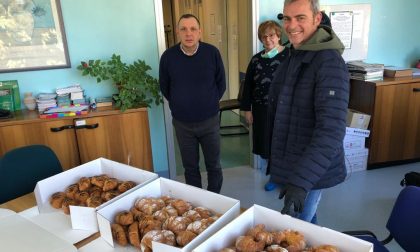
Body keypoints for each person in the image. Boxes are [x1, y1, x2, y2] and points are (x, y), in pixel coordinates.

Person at [268, 0, 349, 223]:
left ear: (317, 18)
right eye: (287, 18)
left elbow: (331, 131)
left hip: (310, 168)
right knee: (301, 221)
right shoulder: (296, 52)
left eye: (300, 18)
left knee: (298, 228)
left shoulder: (329, 62)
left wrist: (302, 180)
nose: (292, 25)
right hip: (293, 160)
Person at [159, 14, 226, 193]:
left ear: (200, 32)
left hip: (210, 121)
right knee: (190, 168)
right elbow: (164, 87)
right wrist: (181, 104)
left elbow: (221, 84)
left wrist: (208, 102)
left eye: (193, 29)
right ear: (178, 33)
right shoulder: (168, 57)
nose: (189, 33)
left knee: (214, 165)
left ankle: (214, 198)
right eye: (184, 29)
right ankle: (198, 203)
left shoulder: (212, 53)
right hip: (183, 124)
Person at [240, 20, 289, 191]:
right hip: (261, 109)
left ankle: (286, 177)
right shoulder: (256, 60)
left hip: (284, 110)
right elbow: (247, 86)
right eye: (264, 36)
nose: (268, 40)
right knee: (266, 144)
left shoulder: (290, 56)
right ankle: (274, 176)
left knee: (283, 143)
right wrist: (247, 109)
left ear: (278, 36)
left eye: (272, 36)